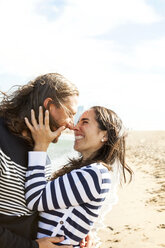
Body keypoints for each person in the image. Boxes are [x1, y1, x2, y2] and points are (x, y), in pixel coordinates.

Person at [0, 72, 91, 248]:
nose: (72, 124)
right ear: (49, 105)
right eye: (70, 114)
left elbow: (37, 207)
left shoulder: (40, 150)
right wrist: (33, 246)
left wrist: (74, 229)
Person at [24, 105, 133, 247]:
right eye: (78, 121)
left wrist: (40, 147)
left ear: (104, 135)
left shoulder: (95, 173)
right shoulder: (89, 172)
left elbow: (35, 199)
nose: (75, 127)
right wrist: (86, 231)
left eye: (85, 122)